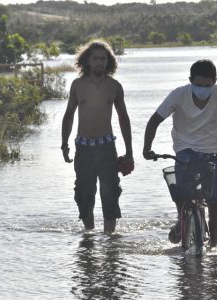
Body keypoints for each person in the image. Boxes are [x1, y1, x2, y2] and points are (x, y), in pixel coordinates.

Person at [142, 60, 217, 247]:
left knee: (214, 202)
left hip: (214, 151)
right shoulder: (179, 95)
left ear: (214, 82)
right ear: (190, 81)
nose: (202, 90)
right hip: (184, 149)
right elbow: (154, 120)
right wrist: (147, 148)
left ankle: (214, 246)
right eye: (198, 85)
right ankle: (183, 219)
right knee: (183, 196)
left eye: (207, 86)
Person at [61, 40, 134, 234]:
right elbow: (68, 116)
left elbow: (124, 119)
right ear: (88, 61)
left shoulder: (114, 87)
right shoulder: (78, 85)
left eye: (103, 59)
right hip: (83, 148)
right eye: (95, 59)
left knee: (110, 192)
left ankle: (109, 238)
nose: (99, 63)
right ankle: (89, 234)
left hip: (106, 147)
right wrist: (64, 145)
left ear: (108, 61)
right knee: (85, 193)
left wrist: (129, 152)